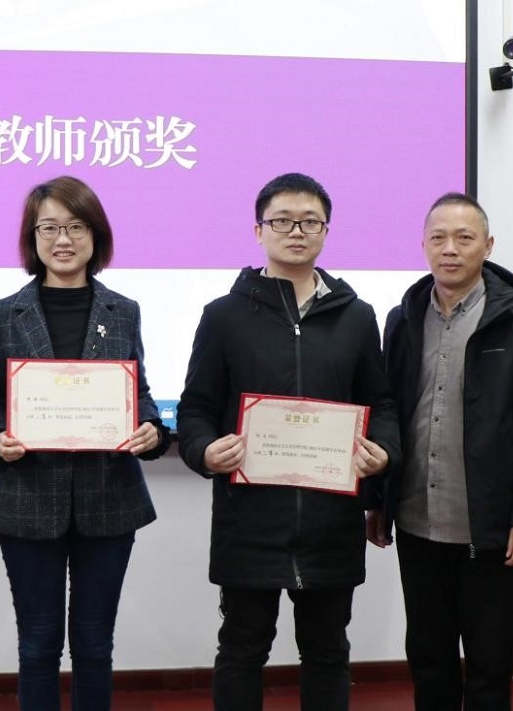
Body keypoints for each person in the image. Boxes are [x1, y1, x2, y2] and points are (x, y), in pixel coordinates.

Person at [176, 172, 401, 711]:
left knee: (327, 653)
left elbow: (382, 404)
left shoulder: (356, 317)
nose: (296, 231)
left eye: (309, 221)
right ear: (259, 231)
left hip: (329, 522)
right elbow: (196, 408)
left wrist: (384, 451)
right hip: (250, 520)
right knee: (241, 650)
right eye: (282, 221)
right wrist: (203, 451)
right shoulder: (223, 316)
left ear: (326, 230)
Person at [0, 175, 170, 711]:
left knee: (94, 646)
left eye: (76, 226)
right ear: (32, 237)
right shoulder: (5, 313)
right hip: (27, 499)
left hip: (109, 498)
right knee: (37, 646)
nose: (63, 239)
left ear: (95, 235)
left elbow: (139, 392)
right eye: (50, 228)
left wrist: (152, 427)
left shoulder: (123, 310)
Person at [371, 192, 513, 710]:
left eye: (464, 237)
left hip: (494, 529)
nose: (450, 249)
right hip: (417, 521)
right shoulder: (402, 318)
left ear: (488, 245)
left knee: (488, 666)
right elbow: (387, 413)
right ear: (423, 245)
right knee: (429, 659)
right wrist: (378, 500)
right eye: (438, 238)